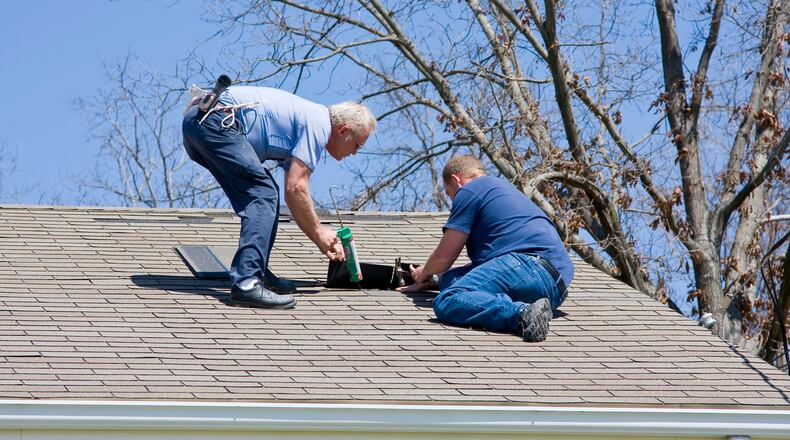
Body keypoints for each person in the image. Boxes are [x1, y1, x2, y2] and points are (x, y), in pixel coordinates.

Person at [183, 85, 376, 309]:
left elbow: (291, 191)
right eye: (357, 145)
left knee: (266, 193)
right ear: (343, 131)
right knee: (263, 194)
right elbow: (296, 187)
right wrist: (319, 233)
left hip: (199, 121)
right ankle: (247, 283)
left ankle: (257, 273)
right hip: (216, 121)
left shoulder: (309, 117)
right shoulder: (319, 124)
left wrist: (318, 234)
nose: (354, 153)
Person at [399, 155, 573, 342]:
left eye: (451, 195)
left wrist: (424, 272)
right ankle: (532, 309)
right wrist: (434, 279)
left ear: (457, 180)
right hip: (554, 289)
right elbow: (482, 271)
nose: (454, 201)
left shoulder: (470, 190)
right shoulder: (503, 191)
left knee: (448, 299)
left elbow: (445, 257)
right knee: (450, 281)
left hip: (527, 265)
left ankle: (522, 313)